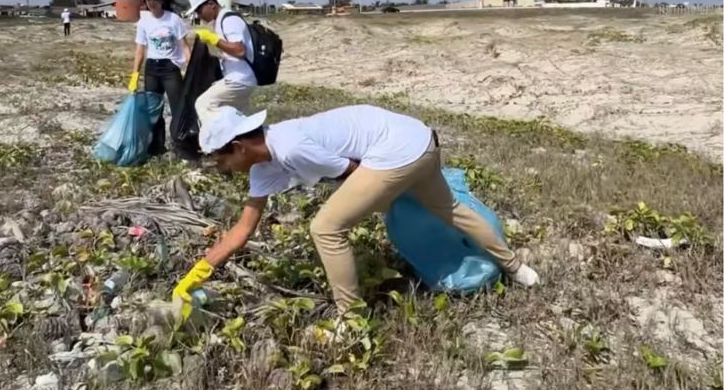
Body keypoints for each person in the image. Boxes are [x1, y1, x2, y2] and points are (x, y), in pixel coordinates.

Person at [175, 105, 541, 316]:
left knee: (326, 227)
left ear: (238, 146)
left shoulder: (289, 147)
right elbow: (243, 228)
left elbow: (351, 171)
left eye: (220, 161)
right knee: (450, 209)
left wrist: (381, 196)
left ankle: (350, 318)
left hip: (398, 151)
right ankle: (518, 269)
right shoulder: (265, 160)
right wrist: (197, 273)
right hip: (421, 140)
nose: (222, 169)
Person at [128, 0, 190, 156]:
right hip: (152, 68)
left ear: (161, 0)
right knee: (153, 110)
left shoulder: (173, 19)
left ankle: (182, 146)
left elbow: (184, 47)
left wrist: (190, 67)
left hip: (170, 68)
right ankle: (156, 147)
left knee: (178, 107)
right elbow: (140, 50)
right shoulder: (144, 22)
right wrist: (135, 75)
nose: (151, 2)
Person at [185, 0, 256, 123]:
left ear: (211, 4)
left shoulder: (229, 19)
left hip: (240, 79)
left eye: (199, 10)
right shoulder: (220, 20)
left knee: (203, 104)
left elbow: (239, 50)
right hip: (238, 77)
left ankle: (217, 140)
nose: (199, 15)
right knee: (237, 118)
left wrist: (214, 40)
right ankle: (240, 142)